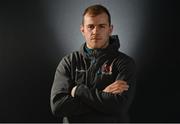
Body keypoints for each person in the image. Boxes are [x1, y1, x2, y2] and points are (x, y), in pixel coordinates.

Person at [50, 4, 136, 123]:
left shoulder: (124, 63)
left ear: (110, 29)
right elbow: (58, 106)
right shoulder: (69, 62)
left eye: (101, 26)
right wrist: (103, 97)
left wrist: (78, 91)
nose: (95, 31)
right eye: (90, 26)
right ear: (82, 30)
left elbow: (119, 106)